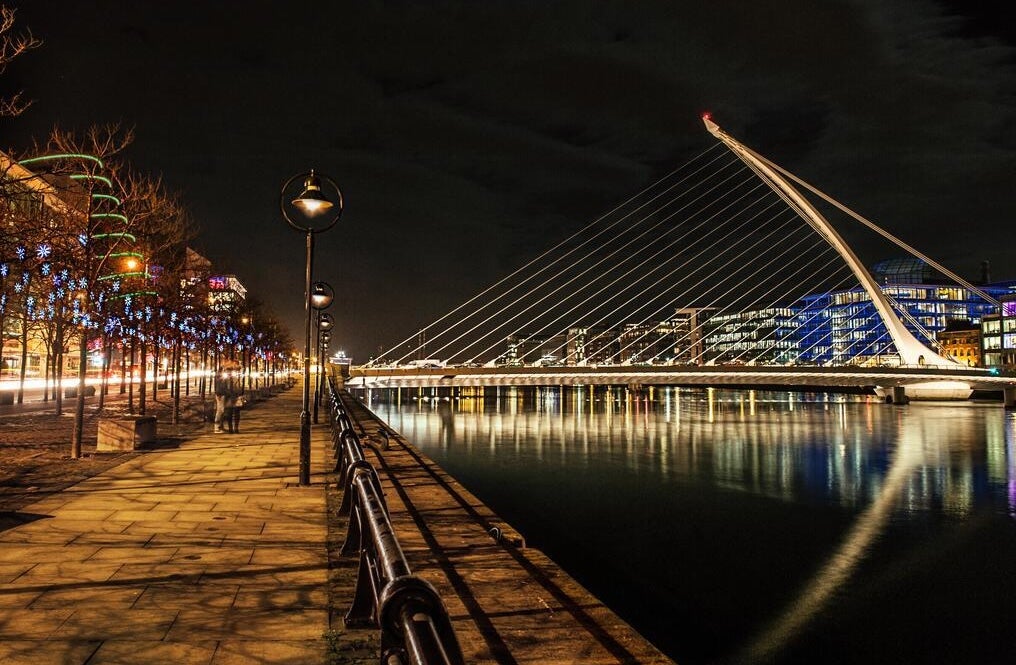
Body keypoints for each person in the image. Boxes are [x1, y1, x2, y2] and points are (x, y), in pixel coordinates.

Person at [213, 362, 241, 433]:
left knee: (224, 411)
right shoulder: (221, 375)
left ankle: (221, 427)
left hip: (226, 394)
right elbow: (221, 386)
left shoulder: (227, 375)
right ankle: (217, 428)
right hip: (222, 394)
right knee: (221, 410)